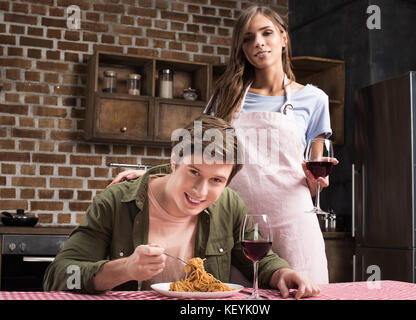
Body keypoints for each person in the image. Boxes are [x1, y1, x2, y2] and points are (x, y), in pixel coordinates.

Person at [109, 5, 338, 284]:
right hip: (234, 225)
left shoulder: (315, 100)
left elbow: (314, 179)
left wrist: (317, 181)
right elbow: (197, 153)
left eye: (267, 33)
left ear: (284, 38)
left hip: (293, 222)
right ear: (241, 48)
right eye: (248, 38)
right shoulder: (226, 95)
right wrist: (150, 175)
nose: (259, 43)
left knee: (302, 290)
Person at [43, 115, 320, 299]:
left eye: (216, 180)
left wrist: (282, 273)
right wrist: (126, 268)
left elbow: (259, 256)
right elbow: (60, 276)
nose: (200, 192)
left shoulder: (229, 204)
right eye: (193, 172)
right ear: (175, 161)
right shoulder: (115, 203)